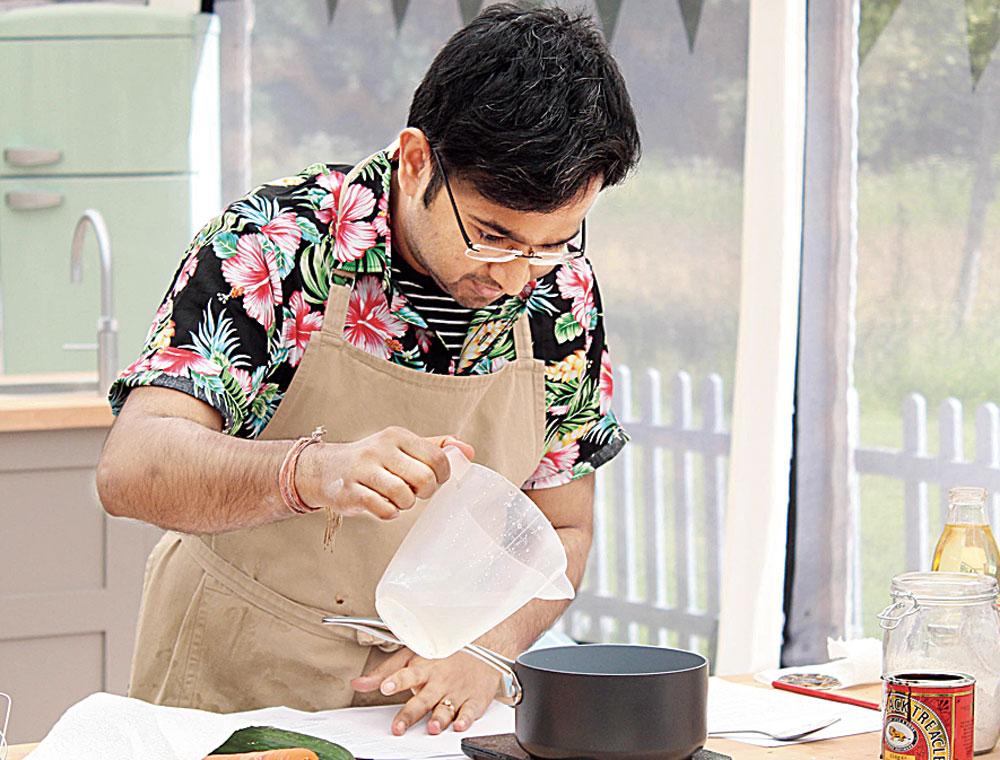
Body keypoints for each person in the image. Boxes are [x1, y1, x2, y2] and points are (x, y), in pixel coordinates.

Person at [96, 1, 641, 736]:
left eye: (553, 241)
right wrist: (309, 473)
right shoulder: (274, 249)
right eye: (492, 236)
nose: (518, 277)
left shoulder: (562, 293)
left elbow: (561, 529)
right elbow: (132, 468)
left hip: (414, 716)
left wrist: (489, 650)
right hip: (229, 686)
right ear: (417, 161)